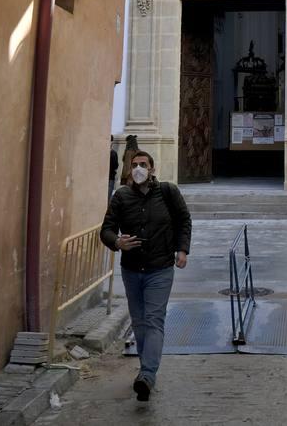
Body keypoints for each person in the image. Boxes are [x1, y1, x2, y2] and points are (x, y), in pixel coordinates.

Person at [100, 150, 192, 402]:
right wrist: (118, 242)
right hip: (131, 270)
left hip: (160, 268)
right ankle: (145, 369)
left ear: (152, 168)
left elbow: (184, 219)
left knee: (153, 320)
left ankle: (148, 374)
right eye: (135, 165)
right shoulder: (121, 197)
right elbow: (106, 229)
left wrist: (182, 249)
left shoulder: (168, 192)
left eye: (143, 164)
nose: (139, 168)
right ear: (129, 170)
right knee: (139, 322)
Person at [108, 136, 119, 204]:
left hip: (108, 177)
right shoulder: (113, 153)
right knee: (107, 197)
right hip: (110, 177)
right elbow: (115, 166)